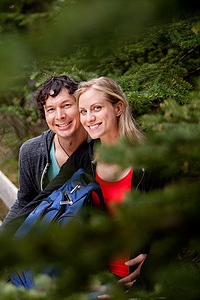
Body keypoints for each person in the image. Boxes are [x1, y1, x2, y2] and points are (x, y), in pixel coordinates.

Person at [75, 77, 152, 295]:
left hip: (136, 284)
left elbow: (177, 219)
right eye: (83, 111)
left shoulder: (149, 159)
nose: (89, 118)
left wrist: (152, 261)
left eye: (97, 108)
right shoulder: (83, 159)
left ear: (118, 107)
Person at [0, 75, 90, 231]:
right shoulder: (32, 152)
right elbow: (25, 203)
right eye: (51, 109)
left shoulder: (100, 147)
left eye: (67, 105)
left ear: (81, 106)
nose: (60, 116)